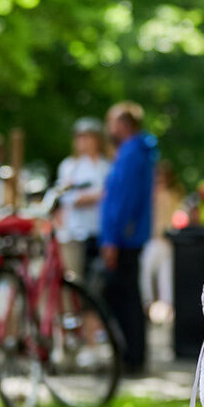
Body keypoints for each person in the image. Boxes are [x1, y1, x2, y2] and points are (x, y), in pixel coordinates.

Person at [98, 101, 157, 374]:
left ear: (123, 124)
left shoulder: (132, 154)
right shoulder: (138, 152)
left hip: (124, 239)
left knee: (121, 295)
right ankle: (133, 355)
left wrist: (111, 238)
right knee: (127, 295)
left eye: (112, 122)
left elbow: (120, 200)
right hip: (129, 237)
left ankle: (132, 357)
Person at [50, 118, 108, 279]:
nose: (83, 142)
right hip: (75, 233)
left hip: (99, 232)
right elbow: (68, 198)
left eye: (88, 137)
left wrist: (91, 196)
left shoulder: (106, 166)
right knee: (74, 279)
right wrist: (96, 195)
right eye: (80, 137)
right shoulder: (69, 166)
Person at [141, 161, 182, 321]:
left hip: (165, 242)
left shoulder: (172, 195)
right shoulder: (149, 195)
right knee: (147, 276)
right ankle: (148, 306)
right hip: (152, 241)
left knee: (166, 279)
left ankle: (167, 310)